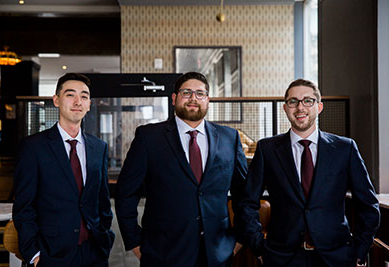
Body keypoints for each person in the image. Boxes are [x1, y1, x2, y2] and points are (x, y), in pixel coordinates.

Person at [236, 79, 380, 267]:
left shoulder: (345, 149)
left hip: (336, 257)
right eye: (293, 101)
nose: (300, 107)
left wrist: (359, 251)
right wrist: (259, 248)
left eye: (308, 101)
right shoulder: (267, 149)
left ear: (319, 107)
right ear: (285, 108)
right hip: (281, 257)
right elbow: (247, 203)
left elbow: (368, 204)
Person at [115, 72, 247, 267]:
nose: (193, 98)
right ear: (174, 98)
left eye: (200, 93)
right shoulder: (148, 137)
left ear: (208, 100)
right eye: (187, 92)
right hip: (163, 253)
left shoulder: (230, 137)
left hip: (217, 252)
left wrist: (240, 239)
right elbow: (126, 193)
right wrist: (134, 242)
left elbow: (243, 194)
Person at [13, 73, 115, 267]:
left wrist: (104, 238)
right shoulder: (33, 147)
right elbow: (23, 207)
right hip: (51, 254)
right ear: (56, 100)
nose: (78, 101)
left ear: (89, 104)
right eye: (70, 95)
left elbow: (102, 201)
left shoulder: (99, 147)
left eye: (84, 96)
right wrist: (34, 254)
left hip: (93, 253)